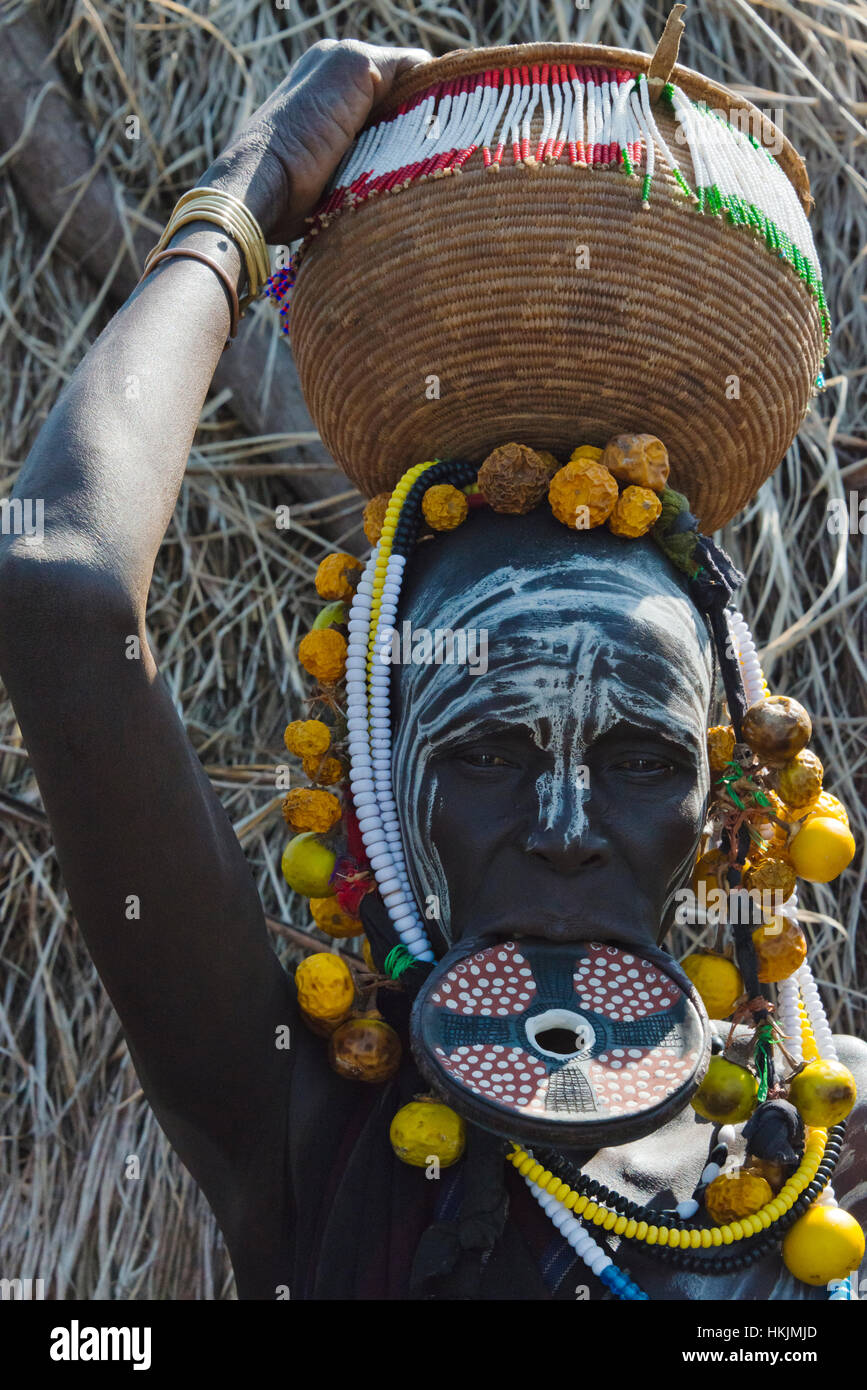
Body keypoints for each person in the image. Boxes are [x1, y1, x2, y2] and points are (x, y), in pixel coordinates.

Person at [0, 38, 864, 1302]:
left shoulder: (818, 1152)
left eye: (637, 759)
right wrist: (247, 199)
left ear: (730, 805)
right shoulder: (311, 1130)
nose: (567, 831)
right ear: (378, 791)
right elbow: (58, 586)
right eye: (489, 753)